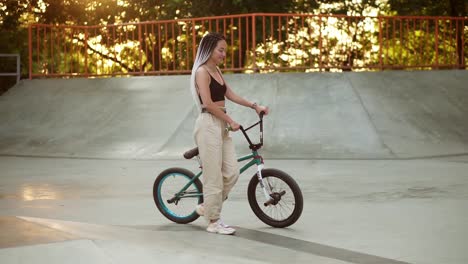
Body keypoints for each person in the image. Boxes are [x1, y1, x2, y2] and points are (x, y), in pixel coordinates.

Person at [190, 32, 269, 235]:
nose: (224, 54)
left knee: (232, 172)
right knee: (213, 176)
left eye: (225, 50)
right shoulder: (202, 72)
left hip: (221, 124)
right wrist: (231, 121)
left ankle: (207, 207)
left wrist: (254, 106)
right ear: (208, 50)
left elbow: (229, 94)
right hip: (208, 124)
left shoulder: (216, 70)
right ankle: (213, 222)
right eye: (221, 50)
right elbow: (207, 103)